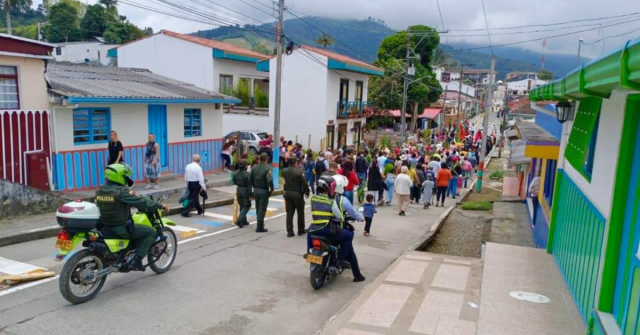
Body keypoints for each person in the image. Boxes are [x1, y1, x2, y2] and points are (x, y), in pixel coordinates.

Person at [96, 163, 168, 271]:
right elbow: (141, 201)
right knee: (150, 232)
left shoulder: (100, 191)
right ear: (120, 176)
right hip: (120, 228)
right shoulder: (121, 191)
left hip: (105, 226)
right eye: (125, 176)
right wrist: (160, 205)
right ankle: (137, 261)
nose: (127, 179)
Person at [307, 175, 366, 282]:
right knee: (349, 237)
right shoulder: (335, 200)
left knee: (310, 233)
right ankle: (340, 261)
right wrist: (359, 218)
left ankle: (309, 253)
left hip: (314, 228)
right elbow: (341, 216)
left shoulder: (313, 198)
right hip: (329, 229)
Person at [282, 156, 310, 237]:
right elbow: (304, 183)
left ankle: (289, 231)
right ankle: (300, 230)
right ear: (295, 162)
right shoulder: (299, 172)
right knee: (300, 212)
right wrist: (307, 191)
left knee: (289, 213)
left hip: (287, 193)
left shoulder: (284, 171)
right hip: (297, 194)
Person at [249, 153, 273, 233]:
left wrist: (252, 189)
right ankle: (259, 226)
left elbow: (250, 179)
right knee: (262, 209)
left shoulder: (254, 168)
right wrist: (271, 189)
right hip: (263, 190)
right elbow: (269, 180)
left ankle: (260, 224)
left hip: (256, 190)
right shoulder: (267, 169)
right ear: (266, 159)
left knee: (258, 207)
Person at [232, 159, 251, 228]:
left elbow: (234, 182)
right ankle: (239, 220)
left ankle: (244, 221)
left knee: (242, 205)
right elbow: (249, 186)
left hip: (238, 189)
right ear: (245, 166)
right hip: (245, 190)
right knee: (247, 205)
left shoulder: (235, 173)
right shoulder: (246, 174)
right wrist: (251, 194)